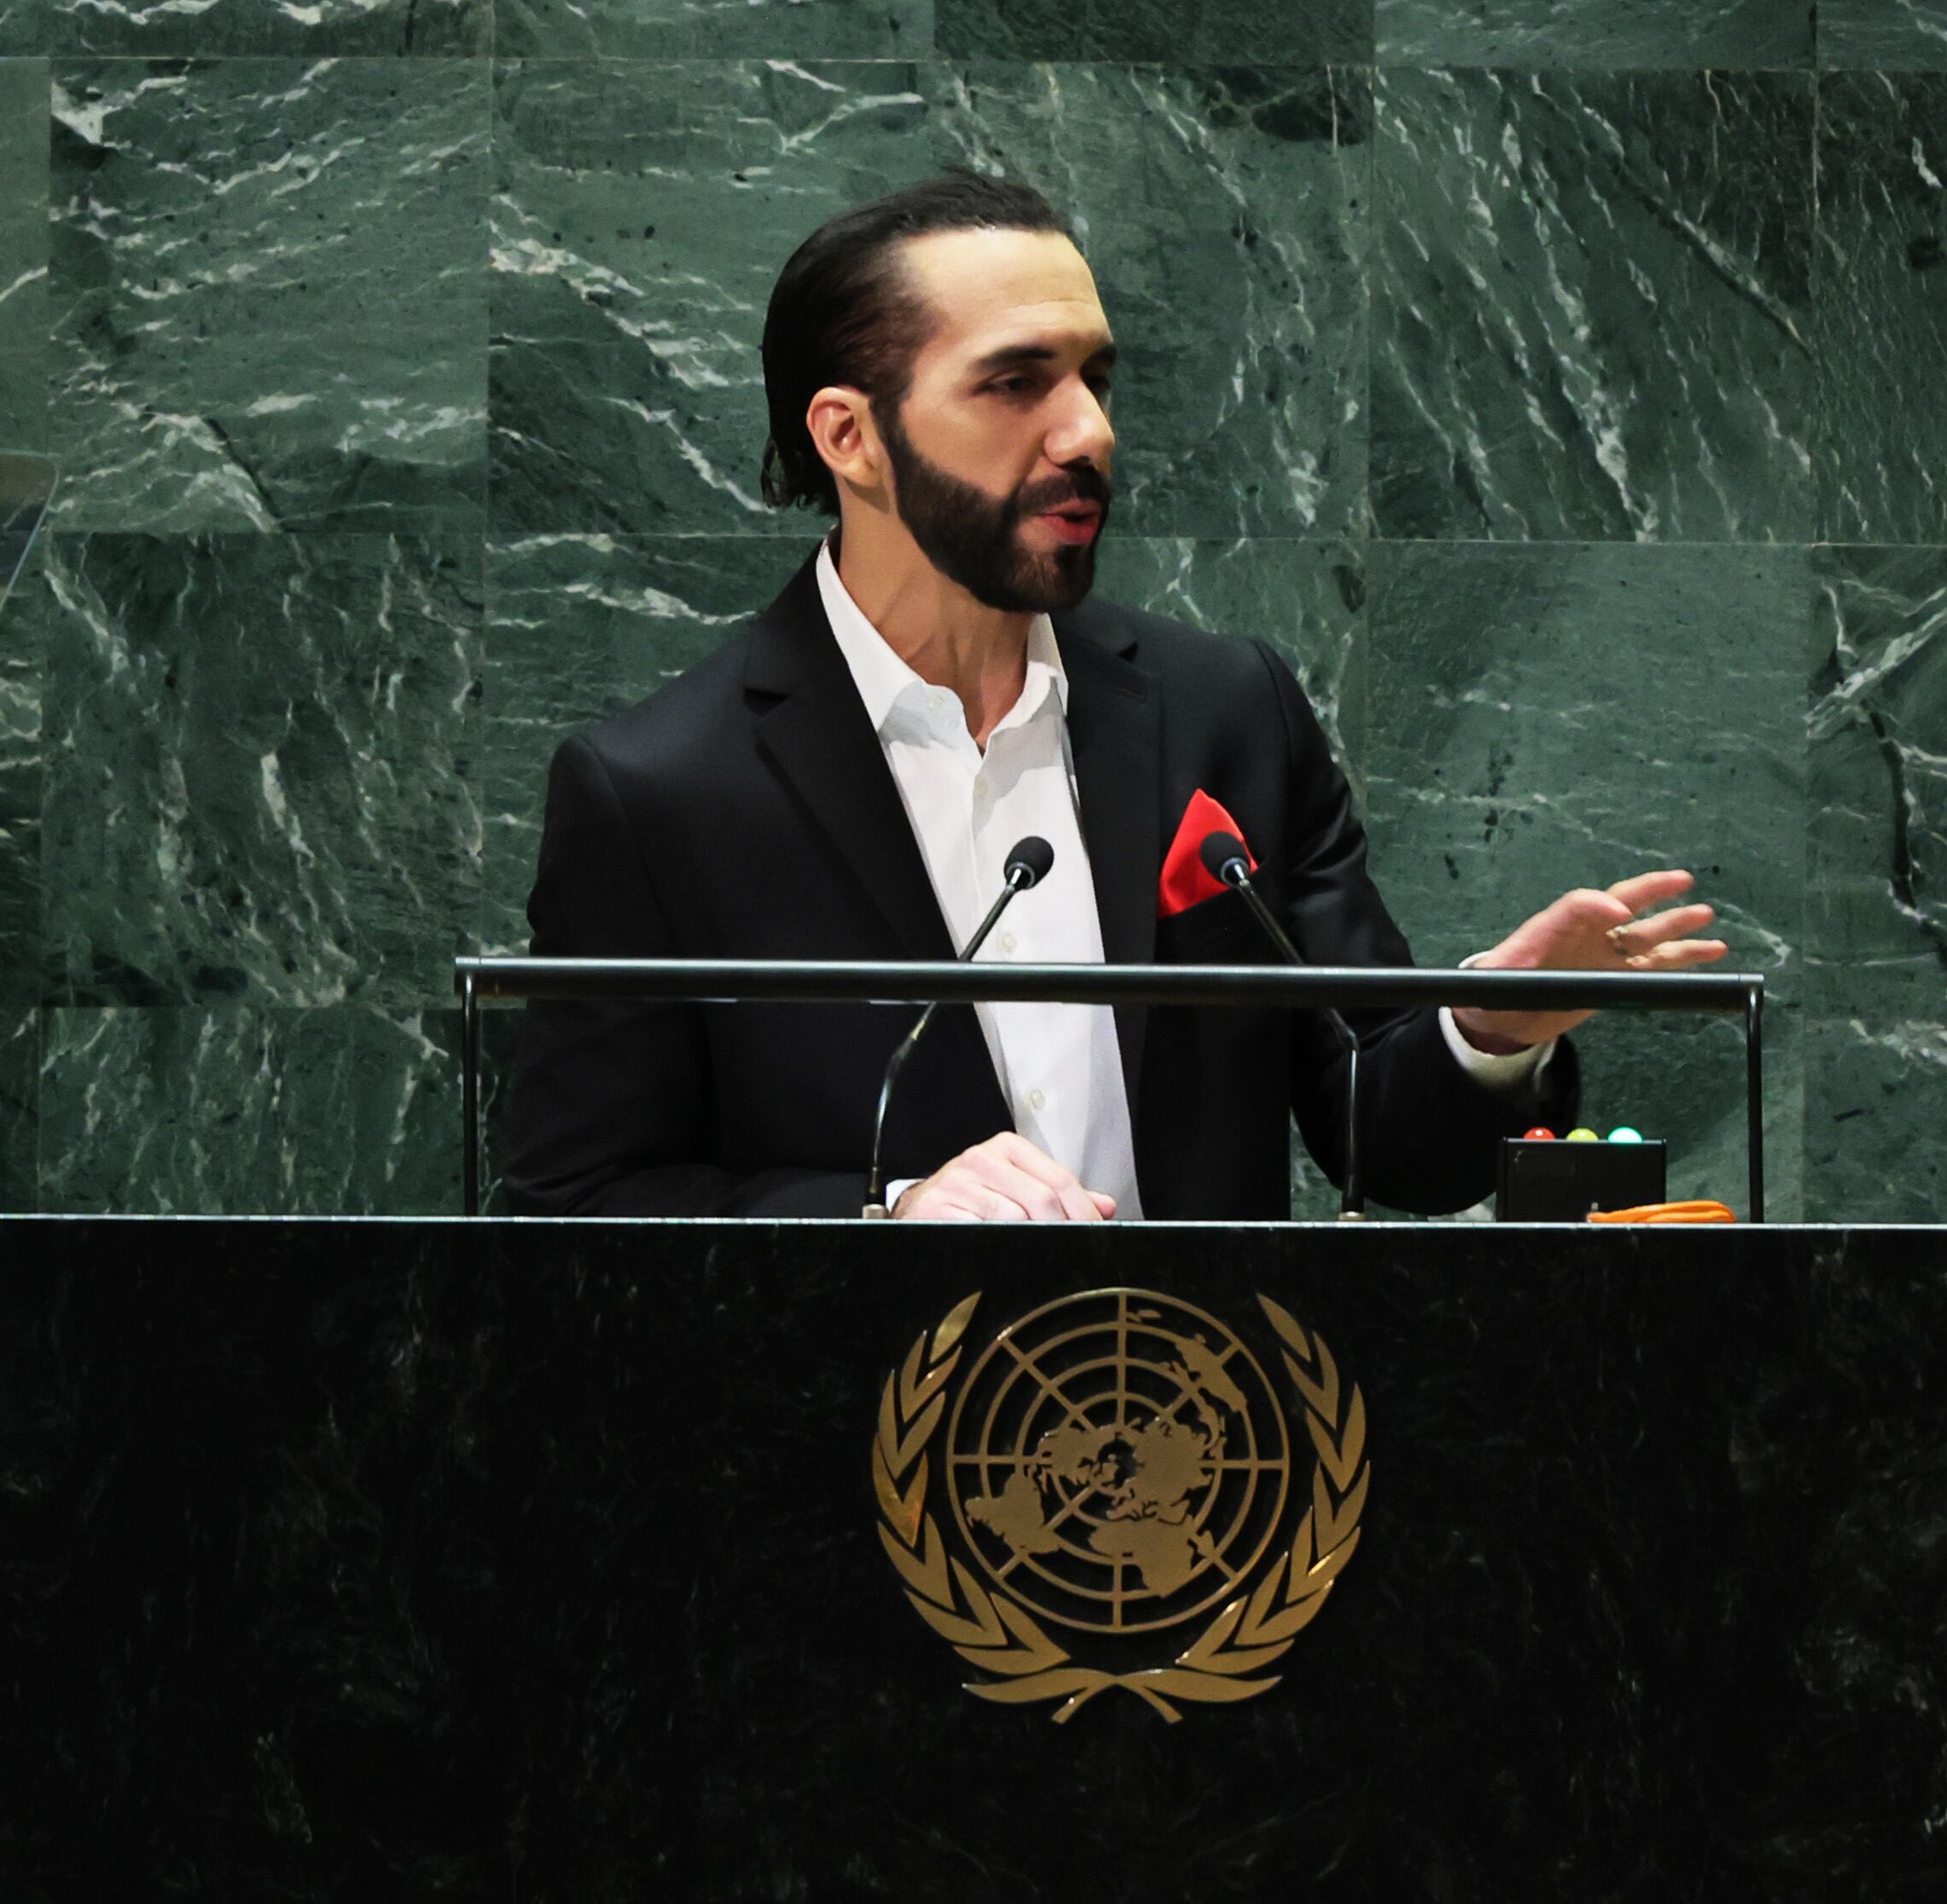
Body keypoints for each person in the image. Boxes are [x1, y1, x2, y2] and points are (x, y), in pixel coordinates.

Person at [500, 172, 1726, 1221]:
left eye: (1095, 376)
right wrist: (883, 1211)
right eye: (1015, 383)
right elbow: (569, 1208)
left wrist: (1487, 1031)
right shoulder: (662, 790)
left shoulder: (1219, 710)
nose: (1088, 431)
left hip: (1229, 1454)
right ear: (850, 437)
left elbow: (1385, 1140)